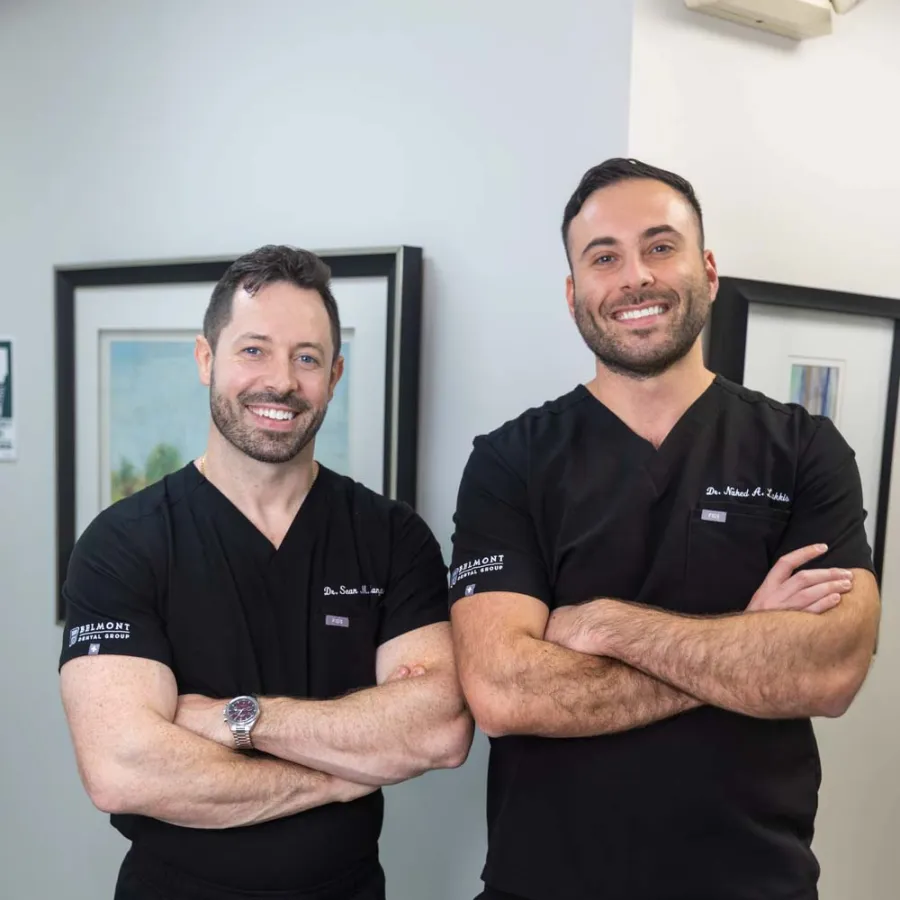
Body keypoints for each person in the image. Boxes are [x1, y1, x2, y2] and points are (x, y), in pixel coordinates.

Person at [448, 158, 881, 900]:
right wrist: (748, 643)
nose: (634, 278)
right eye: (604, 257)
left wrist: (608, 625)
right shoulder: (509, 462)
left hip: (755, 883)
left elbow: (830, 670)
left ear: (707, 269)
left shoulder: (804, 449)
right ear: (573, 292)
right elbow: (504, 691)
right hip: (546, 884)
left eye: (660, 246)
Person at [59, 245, 473, 900]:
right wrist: (340, 776)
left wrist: (237, 720)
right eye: (253, 350)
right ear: (206, 359)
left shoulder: (391, 538)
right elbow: (122, 768)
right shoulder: (124, 543)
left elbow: (440, 729)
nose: (281, 380)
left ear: (334, 374)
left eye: (306, 357)